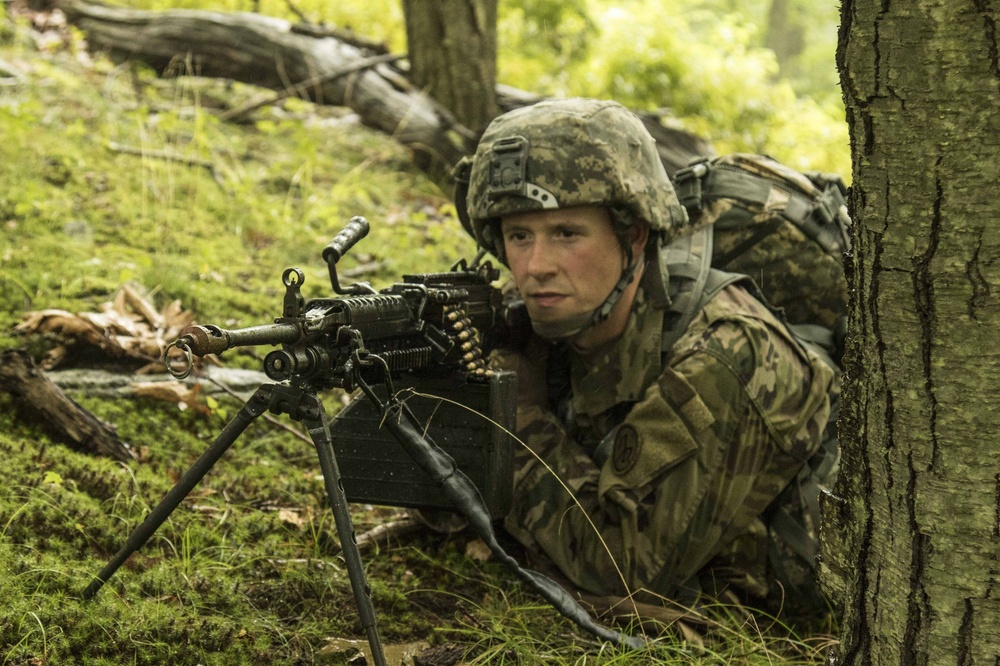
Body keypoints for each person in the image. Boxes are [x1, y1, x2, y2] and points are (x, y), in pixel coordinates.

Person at [454, 98, 840, 614]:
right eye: (519, 236)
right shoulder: (548, 316)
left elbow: (624, 570)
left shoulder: (728, 352)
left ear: (633, 236)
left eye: (566, 233)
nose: (536, 266)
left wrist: (515, 417)